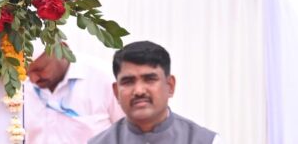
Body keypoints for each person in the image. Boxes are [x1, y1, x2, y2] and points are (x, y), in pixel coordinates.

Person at [88, 41, 222, 144]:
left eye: (149, 79)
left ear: (170, 86)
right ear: (116, 91)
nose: (139, 91)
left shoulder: (206, 141)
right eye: (128, 81)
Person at [25, 46, 124, 144]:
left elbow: (127, 133)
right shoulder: (21, 85)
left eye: (40, 69)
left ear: (61, 48)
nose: (33, 79)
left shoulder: (104, 78)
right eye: (27, 73)